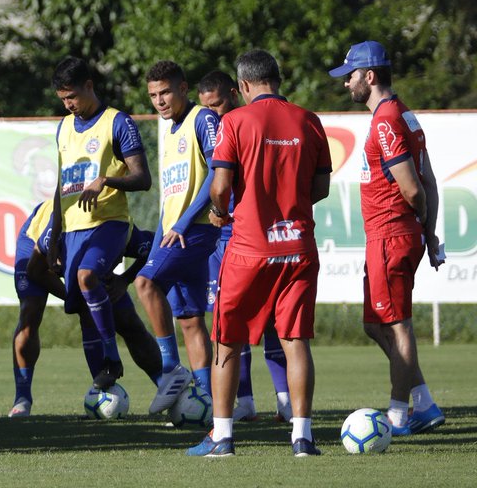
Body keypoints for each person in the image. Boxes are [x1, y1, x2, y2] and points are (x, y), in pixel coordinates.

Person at [188, 50, 331, 458]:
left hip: (250, 247)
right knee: (295, 339)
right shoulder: (310, 121)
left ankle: (222, 437)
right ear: (277, 79)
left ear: (244, 86)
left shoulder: (234, 121)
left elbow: (219, 187)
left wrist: (220, 213)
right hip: (298, 246)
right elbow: (319, 189)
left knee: (227, 341)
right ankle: (302, 437)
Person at [329, 41, 445, 435]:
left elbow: (414, 188)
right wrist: (428, 234)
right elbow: (429, 180)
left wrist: (419, 226)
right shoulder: (404, 115)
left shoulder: (386, 119)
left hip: (391, 234)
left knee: (397, 326)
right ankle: (424, 402)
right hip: (392, 234)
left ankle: (398, 415)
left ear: (370, 76)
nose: (347, 85)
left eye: (351, 76)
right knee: (375, 324)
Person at [47, 56, 152, 391]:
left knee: (86, 275)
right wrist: (54, 237)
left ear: (89, 86)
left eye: (72, 97)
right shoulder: (63, 127)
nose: (68, 105)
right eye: (63, 99)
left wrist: (105, 180)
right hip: (73, 230)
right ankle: (119, 386)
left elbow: (142, 178)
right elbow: (60, 186)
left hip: (110, 222)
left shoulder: (117, 123)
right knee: (86, 312)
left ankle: (112, 360)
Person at [9, 200, 161, 416]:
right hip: (35, 245)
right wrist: (79, 299)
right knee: (30, 314)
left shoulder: (123, 231)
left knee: (128, 321)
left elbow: (157, 247)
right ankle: (22, 398)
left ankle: (165, 386)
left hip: (88, 264)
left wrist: (124, 279)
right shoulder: (59, 229)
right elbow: (36, 271)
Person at [198, 70, 289, 422]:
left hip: (257, 236)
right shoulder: (214, 132)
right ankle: (246, 401)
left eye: (219, 104)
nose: (214, 114)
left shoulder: (246, 124)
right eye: (207, 108)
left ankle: (284, 400)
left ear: (236, 93)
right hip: (223, 242)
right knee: (230, 322)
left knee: (273, 322)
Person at [135, 61, 220, 414]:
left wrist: (184, 222)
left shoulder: (203, 119)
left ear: (183, 88)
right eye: (153, 95)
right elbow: (174, 189)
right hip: (171, 229)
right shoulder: (167, 127)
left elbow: (217, 170)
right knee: (189, 318)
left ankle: (170, 369)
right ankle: (204, 399)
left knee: (144, 284)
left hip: (194, 229)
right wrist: (168, 225)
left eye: (166, 92)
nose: (160, 100)